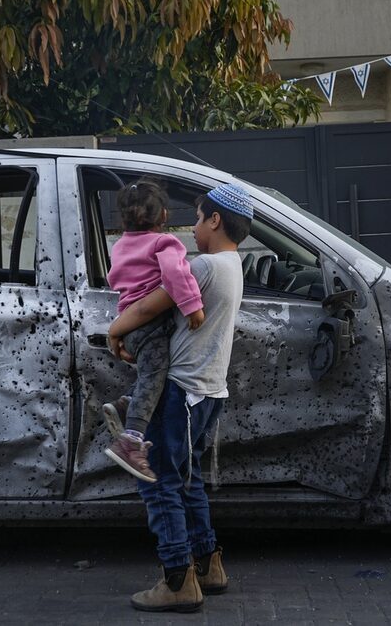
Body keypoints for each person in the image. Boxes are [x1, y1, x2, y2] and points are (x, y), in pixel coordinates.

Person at [108, 182, 253, 613]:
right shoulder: (233, 264)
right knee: (189, 482)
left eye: (199, 218)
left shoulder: (203, 266)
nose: (193, 227)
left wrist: (115, 331)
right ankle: (207, 566)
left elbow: (147, 307)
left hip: (181, 391)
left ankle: (177, 580)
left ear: (215, 220)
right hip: (209, 391)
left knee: (158, 483)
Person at [103, 178, 206, 482]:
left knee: (151, 376)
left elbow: (116, 279)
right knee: (153, 378)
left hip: (130, 324)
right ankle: (131, 442)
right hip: (151, 327)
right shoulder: (164, 243)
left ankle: (127, 403)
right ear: (163, 215)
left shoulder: (120, 245)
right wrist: (192, 306)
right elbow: (176, 274)